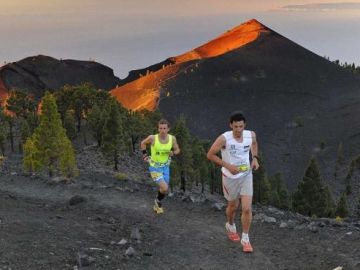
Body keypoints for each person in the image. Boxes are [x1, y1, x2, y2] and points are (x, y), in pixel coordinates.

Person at [207, 111, 259, 253]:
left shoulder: (250, 135)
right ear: (231, 125)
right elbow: (210, 155)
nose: (238, 130)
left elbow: (254, 144)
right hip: (230, 177)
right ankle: (230, 225)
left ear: (244, 125)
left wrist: (254, 158)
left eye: (241, 126)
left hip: (246, 175)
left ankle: (246, 238)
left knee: (247, 208)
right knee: (232, 207)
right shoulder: (224, 139)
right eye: (235, 127)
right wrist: (228, 166)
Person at [140, 119, 180, 214]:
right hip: (155, 167)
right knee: (165, 188)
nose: (162, 130)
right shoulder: (153, 138)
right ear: (158, 129)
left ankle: (157, 202)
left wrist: (173, 152)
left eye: (164, 128)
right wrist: (145, 154)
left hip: (165, 167)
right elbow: (143, 143)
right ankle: (157, 202)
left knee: (164, 189)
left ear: (168, 129)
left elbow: (178, 150)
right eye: (160, 128)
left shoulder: (172, 139)